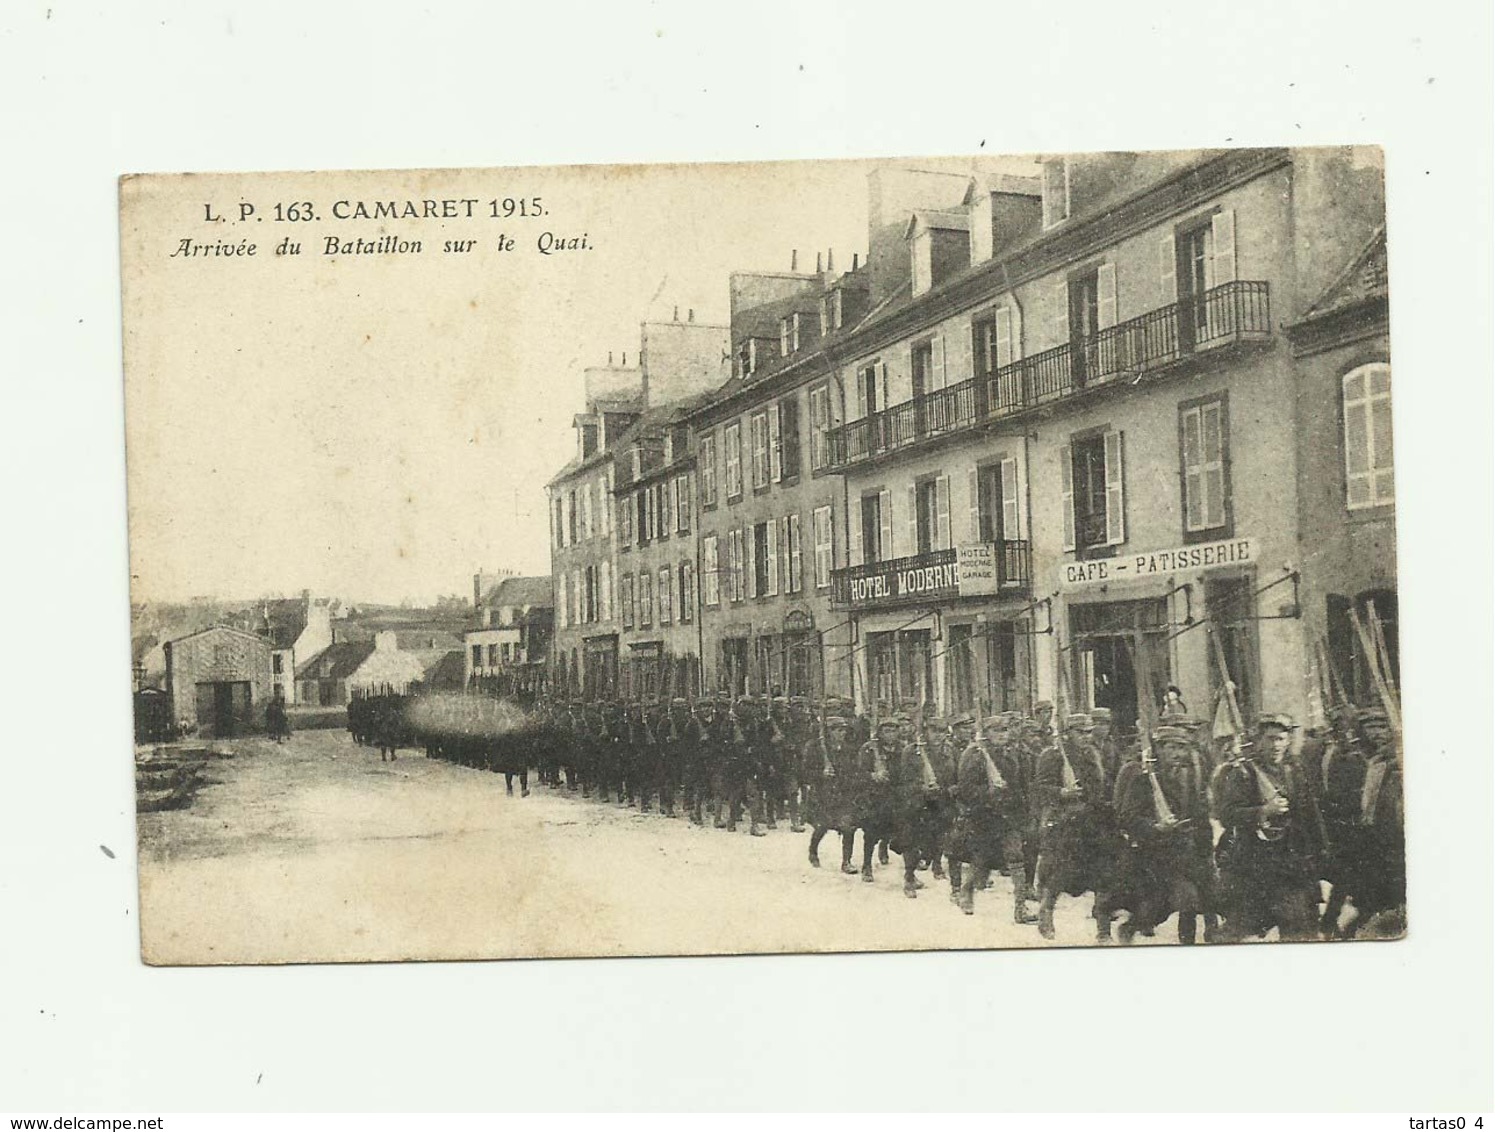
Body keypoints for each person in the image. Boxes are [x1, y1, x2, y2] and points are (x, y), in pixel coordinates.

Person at [1211, 713, 1325, 942]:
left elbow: (1310, 813)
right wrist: (1263, 811)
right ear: (1258, 741)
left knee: (1301, 929)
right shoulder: (1243, 773)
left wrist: (1321, 850)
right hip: (1256, 864)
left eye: (1282, 739)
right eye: (1270, 739)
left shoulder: (1295, 770)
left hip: (1292, 862)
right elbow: (1227, 815)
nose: (1277, 745)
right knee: (1241, 928)